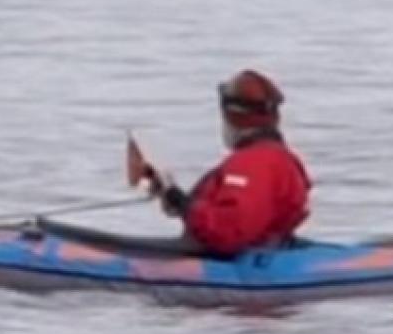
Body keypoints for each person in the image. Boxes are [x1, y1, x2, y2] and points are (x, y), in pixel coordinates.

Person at [130, 70, 311, 256]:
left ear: (232, 117)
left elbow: (228, 232)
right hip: (262, 250)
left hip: (239, 260)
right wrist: (177, 199)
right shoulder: (279, 158)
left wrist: (184, 206)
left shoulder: (253, 164)